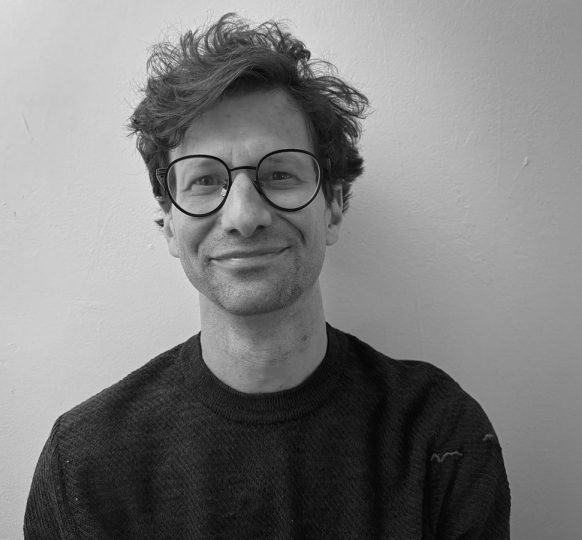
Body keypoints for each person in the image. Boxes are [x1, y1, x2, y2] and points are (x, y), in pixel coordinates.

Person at [25, 13, 509, 539]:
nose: (243, 215)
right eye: (206, 180)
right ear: (168, 222)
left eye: (279, 174)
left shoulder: (437, 436)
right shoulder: (84, 465)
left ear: (335, 206)